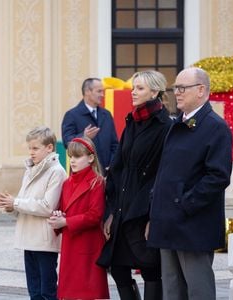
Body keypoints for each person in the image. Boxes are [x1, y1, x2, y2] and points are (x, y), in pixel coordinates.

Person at [147, 67, 233, 300]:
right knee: (172, 290)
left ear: (201, 90)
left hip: (193, 225)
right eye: (176, 88)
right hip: (167, 222)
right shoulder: (177, 125)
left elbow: (218, 177)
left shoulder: (215, 127)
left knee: (198, 291)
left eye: (182, 88)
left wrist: (185, 204)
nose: (177, 93)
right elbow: (166, 172)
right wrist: (156, 211)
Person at [97, 70, 172, 300]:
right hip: (122, 209)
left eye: (140, 88)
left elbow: (163, 174)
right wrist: (110, 212)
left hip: (143, 211)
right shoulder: (132, 122)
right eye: (134, 88)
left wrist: (153, 216)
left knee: (151, 269)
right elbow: (117, 168)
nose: (134, 92)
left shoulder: (166, 126)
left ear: (155, 91)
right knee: (118, 268)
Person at [0, 126, 67, 300]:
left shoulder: (57, 172)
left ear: (49, 148)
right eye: (29, 148)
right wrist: (11, 207)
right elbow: (23, 204)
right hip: (28, 239)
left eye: (35, 148)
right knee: (34, 292)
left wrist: (16, 203)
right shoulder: (30, 170)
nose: (31, 152)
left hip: (44, 240)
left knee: (47, 291)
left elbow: (47, 206)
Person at [48, 137, 109, 300]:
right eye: (71, 156)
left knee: (88, 292)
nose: (73, 160)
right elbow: (62, 208)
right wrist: (58, 217)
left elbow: (95, 215)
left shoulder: (96, 182)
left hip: (89, 243)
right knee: (69, 293)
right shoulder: (67, 183)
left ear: (90, 158)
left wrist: (66, 221)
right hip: (70, 243)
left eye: (77, 156)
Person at [61, 77, 118, 174]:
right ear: (87, 91)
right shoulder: (71, 115)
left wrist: (112, 164)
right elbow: (67, 142)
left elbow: (115, 144)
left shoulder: (106, 115)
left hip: (108, 175)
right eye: (99, 91)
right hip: (83, 176)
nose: (102, 95)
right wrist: (84, 137)